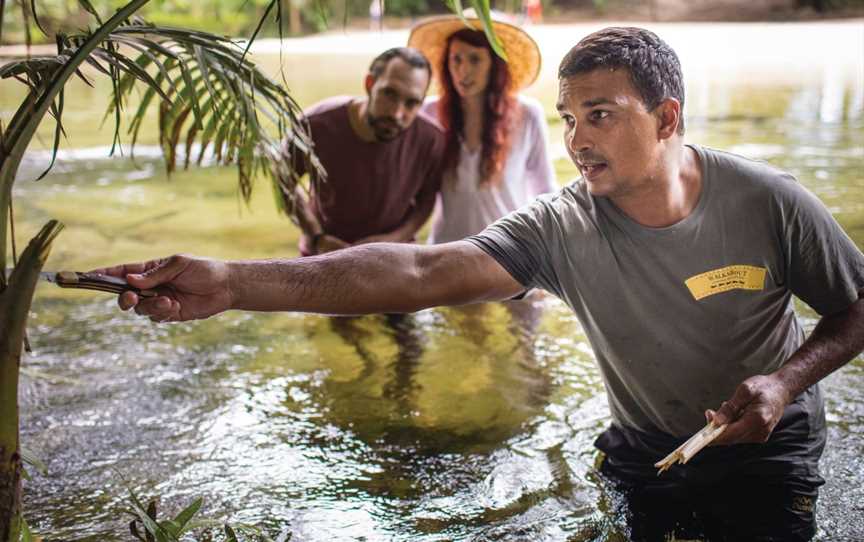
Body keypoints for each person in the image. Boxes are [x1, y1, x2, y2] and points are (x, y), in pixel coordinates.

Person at [98, 27, 864, 541]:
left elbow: (856, 308)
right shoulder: (560, 227)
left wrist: (785, 382)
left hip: (774, 448)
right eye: (567, 117)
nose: (575, 140)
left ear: (666, 118)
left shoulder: (769, 201)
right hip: (643, 450)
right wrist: (233, 280)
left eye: (599, 114)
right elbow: (421, 269)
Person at [407, 16, 556, 244]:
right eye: (455, 59)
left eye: (475, 59)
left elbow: (545, 190)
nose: (463, 70)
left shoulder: (527, 114)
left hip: (508, 253)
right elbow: (408, 183)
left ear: (494, 64)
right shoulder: (429, 113)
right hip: (445, 252)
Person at [285, 47, 445, 256]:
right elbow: (284, 182)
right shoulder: (314, 125)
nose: (397, 113)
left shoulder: (431, 140)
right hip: (321, 256)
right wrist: (316, 236)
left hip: (395, 260)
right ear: (370, 84)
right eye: (389, 94)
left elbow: (426, 201)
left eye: (411, 103)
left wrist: (393, 240)